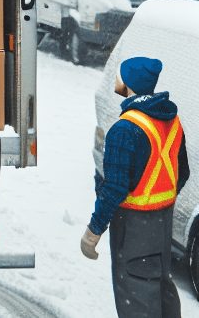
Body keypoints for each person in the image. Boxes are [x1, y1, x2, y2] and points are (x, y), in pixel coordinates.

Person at [81, 57, 189, 318]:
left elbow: (115, 189)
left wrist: (93, 233)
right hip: (161, 227)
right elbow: (182, 173)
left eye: (120, 74)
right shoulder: (171, 121)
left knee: (138, 299)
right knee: (160, 291)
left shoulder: (125, 129)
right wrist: (158, 202)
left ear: (129, 82)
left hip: (133, 233)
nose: (116, 79)